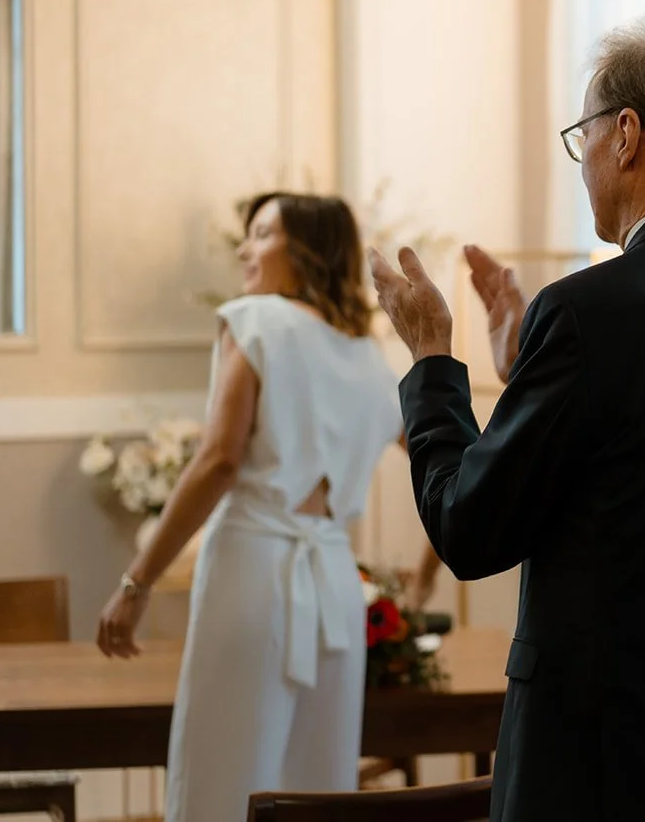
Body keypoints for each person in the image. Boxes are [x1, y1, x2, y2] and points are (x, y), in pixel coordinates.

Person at [369, 22, 645, 822]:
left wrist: (433, 358)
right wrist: (526, 372)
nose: (581, 165)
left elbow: (470, 527)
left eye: (583, 136)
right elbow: (644, 453)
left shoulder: (588, 310)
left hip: (602, 768)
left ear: (626, 135)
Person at [95, 193, 402, 822]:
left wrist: (137, 581)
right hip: (337, 588)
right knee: (319, 791)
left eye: (262, 234)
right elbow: (440, 450)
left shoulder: (256, 320)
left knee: (222, 776)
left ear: (305, 252)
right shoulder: (372, 357)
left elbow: (219, 461)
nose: (244, 248)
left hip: (255, 574)